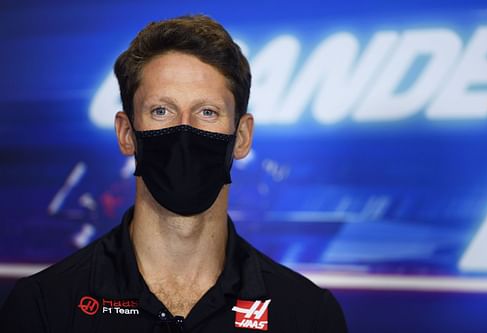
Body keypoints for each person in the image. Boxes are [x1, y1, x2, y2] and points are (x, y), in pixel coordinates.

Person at [0, 15, 347, 332]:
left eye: (207, 112)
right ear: (126, 133)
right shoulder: (45, 307)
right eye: (161, 110)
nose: (185, 130)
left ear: (241, 137)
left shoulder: (306, 315)